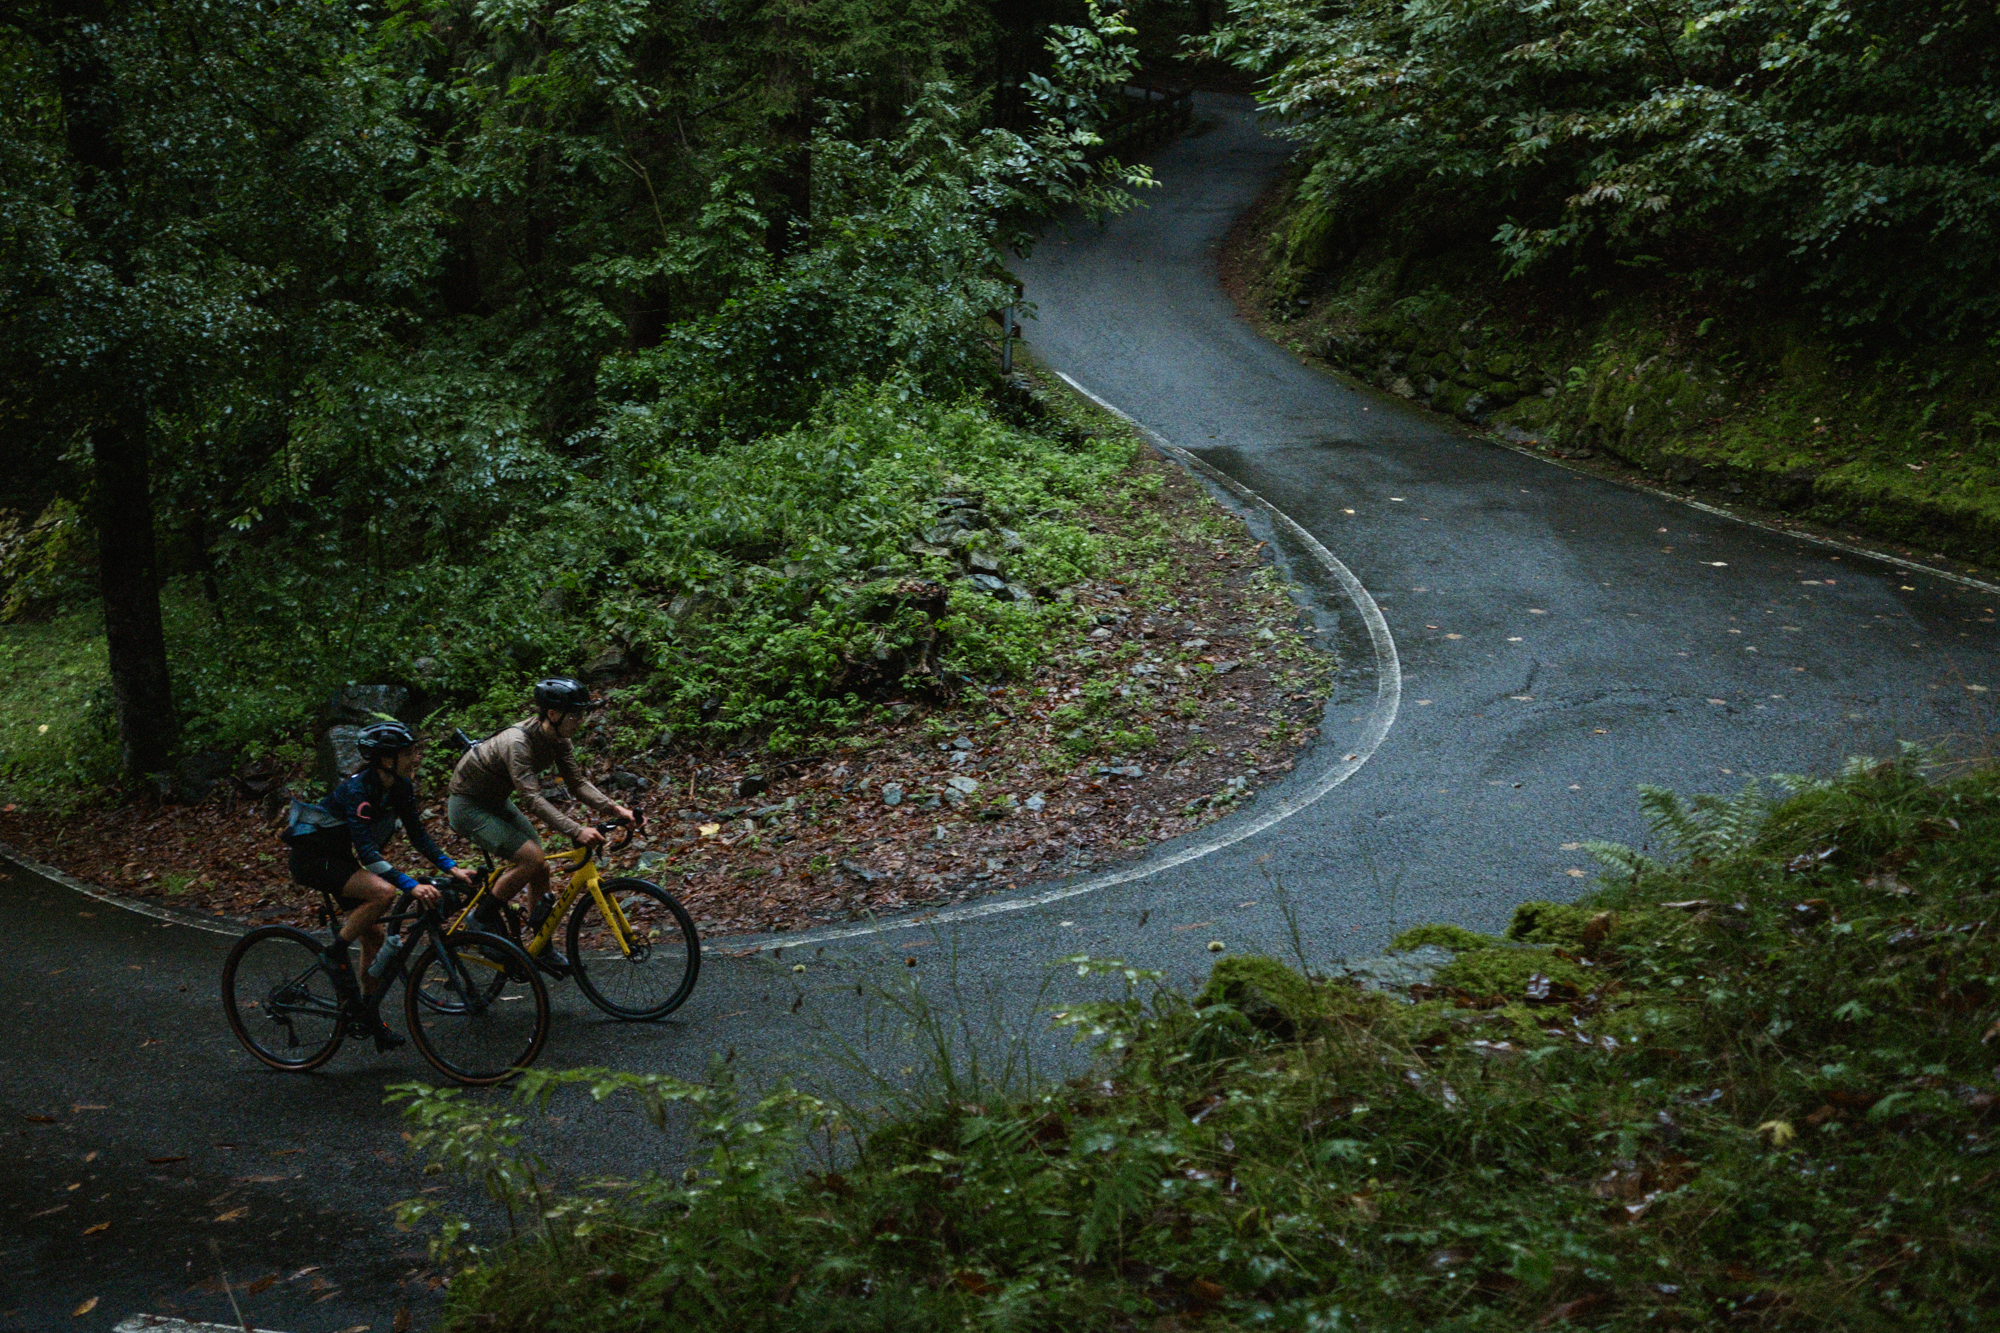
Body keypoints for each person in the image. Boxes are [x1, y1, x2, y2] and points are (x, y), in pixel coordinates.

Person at [286, 721, 474, 1049]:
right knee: (383, 893)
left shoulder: (399, 786)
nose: (416, 758)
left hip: (339, 858)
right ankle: (333, 954)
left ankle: (367, 1016)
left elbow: (418, 835)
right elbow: (368, 854)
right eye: (408, 753)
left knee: (374, 937)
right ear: (387, 759)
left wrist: (451, 867)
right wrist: (410, 885)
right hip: (312, 859)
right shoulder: (358, 790)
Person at [447, 677, 636, 964]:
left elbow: (578, 783)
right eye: (575, 715)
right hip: (467, 806)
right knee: (531, 857)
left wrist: (616, 810)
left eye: (582, 714)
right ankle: (480, 918)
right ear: (553, 714)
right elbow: (532, 799)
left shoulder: (559, 740)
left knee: (541, 867)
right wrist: (576, 830)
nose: (581, 721)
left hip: (496, 801)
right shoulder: (518, 742)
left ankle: (541, 946)